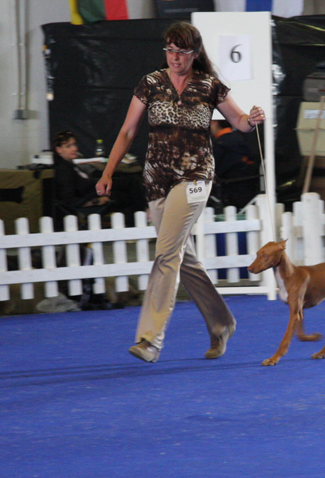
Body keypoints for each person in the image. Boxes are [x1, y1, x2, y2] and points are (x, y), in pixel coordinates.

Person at [96, 21, 266, 363]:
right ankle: (222, 323)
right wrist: (108, 170)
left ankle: (150, 338)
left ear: (195, 53)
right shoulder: (151, 83)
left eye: (182, 51)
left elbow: (239, 121)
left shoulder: (210, 86)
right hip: (157, 180)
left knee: (166, 254)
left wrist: (253, 118)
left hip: (196, 177)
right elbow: (128, 131)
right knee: (181, 257)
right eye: (170, 50)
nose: (175, 57)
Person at [53, 130, 146, 227]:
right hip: (91, 196)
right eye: (69, 146)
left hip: (94, 191)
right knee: (131, 184)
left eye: (74, 145)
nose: (75, 148)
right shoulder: (63, 170)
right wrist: (94, 201)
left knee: (130, 188)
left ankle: (138, 221)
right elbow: (69, 198)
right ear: (59, 149)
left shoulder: (70, 165)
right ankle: (140, 220)